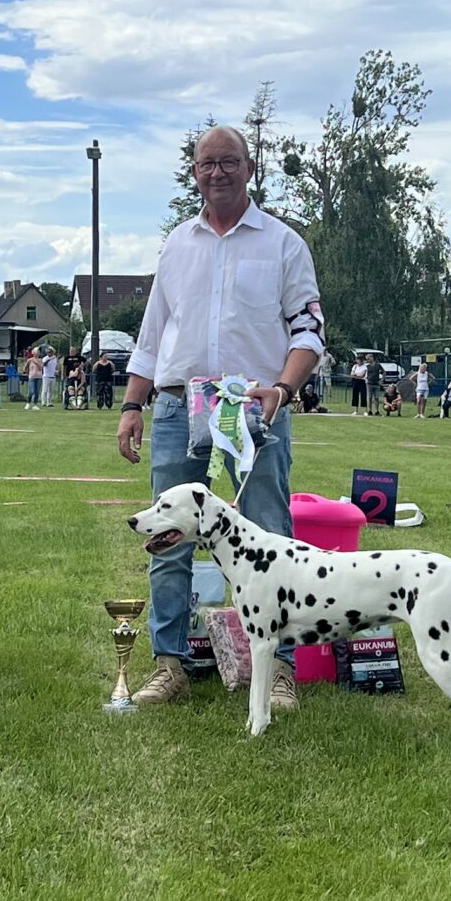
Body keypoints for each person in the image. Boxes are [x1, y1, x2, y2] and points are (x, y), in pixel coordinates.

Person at [115, 123, 325, 708]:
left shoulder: (284, 244)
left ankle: (279, 670)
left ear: (250, 168)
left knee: (271, 538)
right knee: (167, 538)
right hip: (179, 408)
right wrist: (134, 405)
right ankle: (169, 663)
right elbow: (153, 335)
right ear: (195, 173)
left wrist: (283, 390)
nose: (217, 172)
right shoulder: (177, 246)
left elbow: (308, 331)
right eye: (207, 163)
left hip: (255, 411)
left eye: (229, 161)